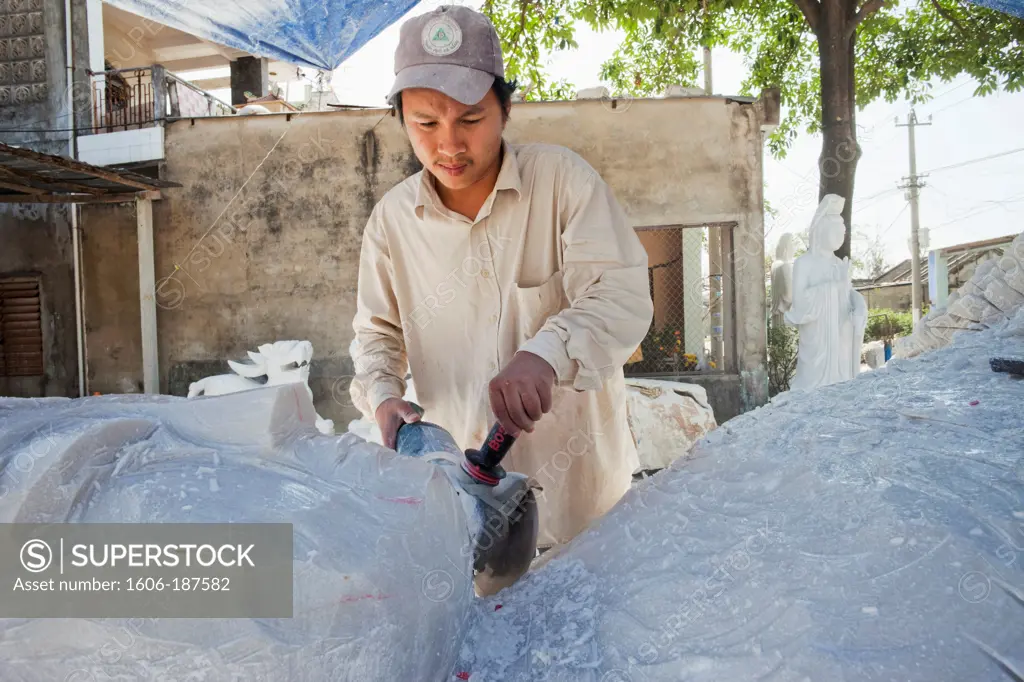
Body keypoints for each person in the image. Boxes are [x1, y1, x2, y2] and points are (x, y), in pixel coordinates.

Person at [349, 5, 654, 550]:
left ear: (505, 109)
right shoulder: (390, 224)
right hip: (471, 512)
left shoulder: (562, 182)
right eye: (425, 123)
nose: (449, 145)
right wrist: (382, 395)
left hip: (584, 506)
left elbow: (622, 292)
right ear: (400, 119)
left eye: (470, 119)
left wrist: (549, 352)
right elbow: (376, 334)